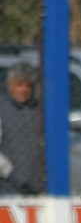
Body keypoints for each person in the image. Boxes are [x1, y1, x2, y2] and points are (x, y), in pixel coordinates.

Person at [0, 62, 43, 195]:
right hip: (8, 186)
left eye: (28, 86)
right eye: (19, 85)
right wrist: (11, 173)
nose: (24, 90)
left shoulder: (38, 109)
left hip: (36, 186)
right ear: (9, 85)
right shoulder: (2, 109)